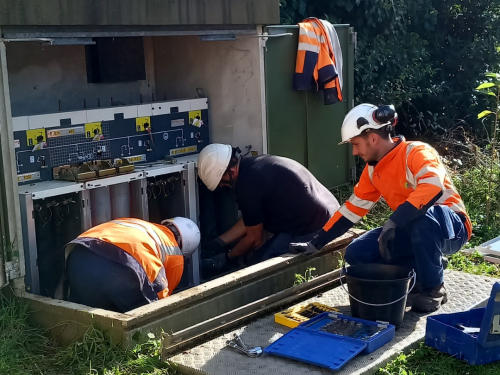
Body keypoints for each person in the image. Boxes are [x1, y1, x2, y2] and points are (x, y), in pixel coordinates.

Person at [291, 103, 471, 313]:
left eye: (356, 144)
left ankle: (434, 289)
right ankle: (420, 276)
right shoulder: (372, 171)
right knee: (358, 253)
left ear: (373, 138)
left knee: (421, 219)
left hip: (451, 228)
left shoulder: (417, 152)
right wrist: (316, 242)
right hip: (411, 227)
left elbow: (432, 188)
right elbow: (351, 210)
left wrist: (393, 222)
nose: (355, 151)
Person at [197, 144, 340, 271]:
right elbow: (251, 220)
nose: (223, 186)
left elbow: (254, 239)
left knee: (259, 269)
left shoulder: (247, 187)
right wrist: (219, 242)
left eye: (223, 183)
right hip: (331, 214)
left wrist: (227, 257)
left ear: (232, 172)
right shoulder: (256, 166)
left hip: (315, 228)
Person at [58, 217, 200, 313]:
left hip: (78, 257)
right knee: (140, 322)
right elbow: (163, 299)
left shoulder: (140, 225)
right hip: (121, 269)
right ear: (185, 248)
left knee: (87, 318)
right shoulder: (175, 253)